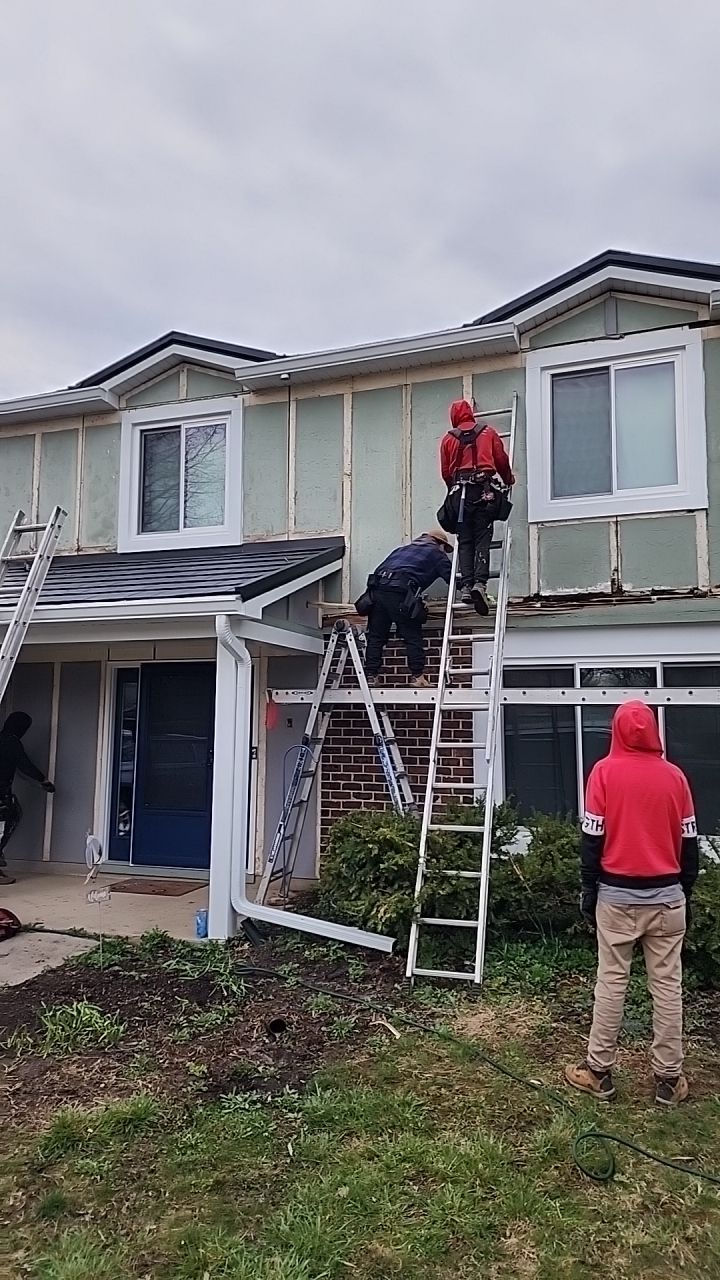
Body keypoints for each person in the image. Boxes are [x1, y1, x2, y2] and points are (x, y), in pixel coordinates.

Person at [565, 701, 699, 1108]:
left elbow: (593, 841)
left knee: (612, 981)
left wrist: (589, 891)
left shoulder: (603, 773)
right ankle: (667, 1081)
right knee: (667, 986)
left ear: (617, 732)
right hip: (667, 898)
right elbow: (689, 844)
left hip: (616, 898)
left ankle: (598, 1072)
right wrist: (684, 893)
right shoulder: (675, 777)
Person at [439, 399, 514, 615]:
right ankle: (480, 585)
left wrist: (453, 491)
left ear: (454, 416)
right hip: (483, 491)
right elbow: (501, 460)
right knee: (483, 538)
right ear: (471, 414)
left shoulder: (448, 439)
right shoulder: (488, 432)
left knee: (465, 541)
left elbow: (446, 473)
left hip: (459, 495)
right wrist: (508, 480)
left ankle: (465, 586)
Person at [360, 528, 454, 687]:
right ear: (440, 544)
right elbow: (452, 579)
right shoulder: (437, 554)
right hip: (399, 593)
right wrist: (470, 588)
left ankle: (371, 676)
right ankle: (418, 678)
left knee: (376, 636)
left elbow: (379, 571)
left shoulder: (400, 550)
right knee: (412, 636)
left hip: (376, 592)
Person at [0, 712, 55, 885]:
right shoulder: (11, 742)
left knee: (14, 814)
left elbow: (17, 768)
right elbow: (24, 765)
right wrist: (43, 780)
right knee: (6, 822)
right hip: (1, 792)